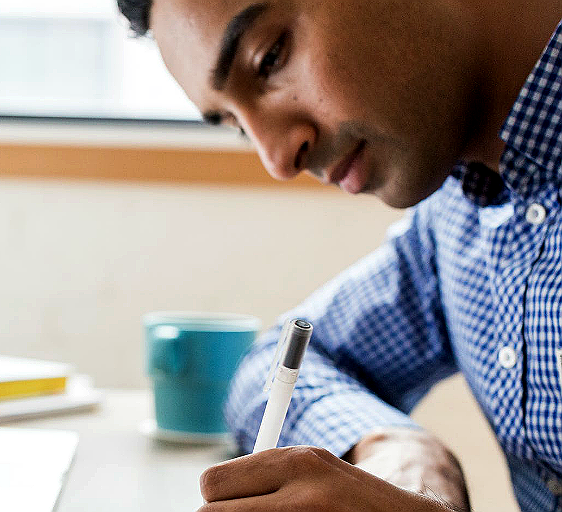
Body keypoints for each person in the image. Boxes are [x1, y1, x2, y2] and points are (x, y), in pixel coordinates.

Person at [116, 0, 561, 510]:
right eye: (237, 125)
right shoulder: (458, 215)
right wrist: (401, 455)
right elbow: (275, 365)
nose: (277, 160)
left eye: (270, 58)